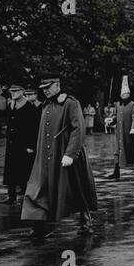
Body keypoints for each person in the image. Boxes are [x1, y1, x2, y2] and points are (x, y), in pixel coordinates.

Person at [21, 74, 97, 239]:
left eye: (48, 87)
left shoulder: (70, 103)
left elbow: (79, 129)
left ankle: (86, 222)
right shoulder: (46, 106)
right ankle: (39, 227)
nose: (45, 91)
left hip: (67, 156)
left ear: (57, 85)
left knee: (76, 189)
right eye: (43, 89)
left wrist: (70, 154)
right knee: (38, 190)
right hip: (47, 158)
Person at [0, 84, 38, 206]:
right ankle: (11, 197)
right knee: (11, 171)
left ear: (22, 91)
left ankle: (27, 198)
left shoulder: (29, 107)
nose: (14, 93)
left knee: (23, 171)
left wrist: (31, 146)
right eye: (12, 91)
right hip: (12, 144)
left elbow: (34, 128)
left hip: (24, 145)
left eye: (16, 91)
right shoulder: (10, 106)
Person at [107, 76, 134, 179]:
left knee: (133, 151)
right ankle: (116, 171)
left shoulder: (133, 105)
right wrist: (111, 121)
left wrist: (133, 128)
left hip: (129, 133)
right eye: (123, 93)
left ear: (129, 94)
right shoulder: (117, 105)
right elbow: (116, 116)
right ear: (120, 94)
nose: (124, 95)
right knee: (117, 151)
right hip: (119, 133)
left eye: (126, 93)